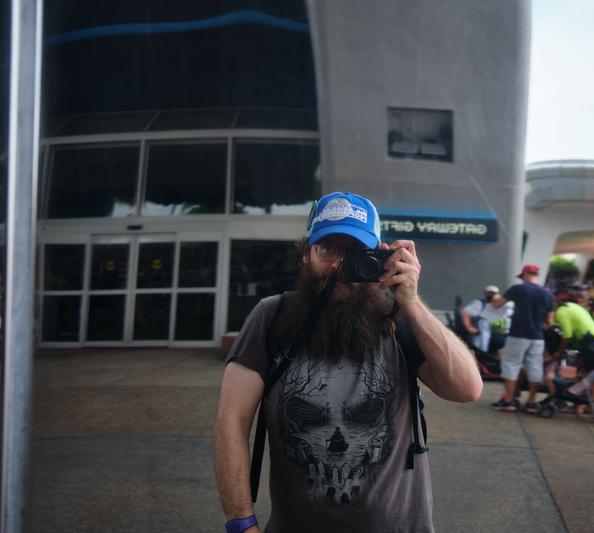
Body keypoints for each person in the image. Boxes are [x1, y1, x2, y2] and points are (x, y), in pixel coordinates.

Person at [213, 192, 482, 533]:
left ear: (379, 256)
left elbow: (467, 388)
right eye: (328, 249)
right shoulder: (272, 316)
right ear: (306, 252)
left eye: (354, 252)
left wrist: (411, 302)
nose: (340, 266)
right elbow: (231, 421)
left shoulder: (398, 317)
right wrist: (241, 523)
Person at [490, 264, 554, 414]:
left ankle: (509, 401)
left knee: (511, 365)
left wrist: (494, 296)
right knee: (535, 367)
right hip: (538, 337)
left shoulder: (518, 289)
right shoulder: (547, 293)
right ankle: (531, 402)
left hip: (518, 335)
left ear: (525, 274)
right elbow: (549, 320)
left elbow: (497, 304)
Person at [460, 285, 512, 354]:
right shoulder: (480, 304)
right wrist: (468, 326)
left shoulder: (504, 305)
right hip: (483, 334)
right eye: (489, 293)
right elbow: (465, 312)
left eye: (493, 293)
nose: (491, 295)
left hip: (499, 333)